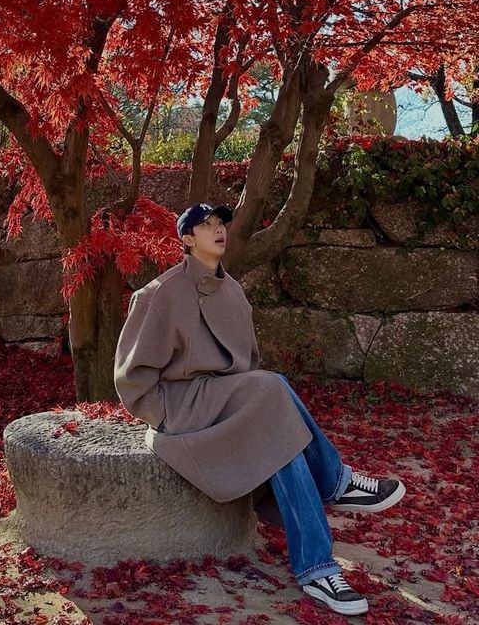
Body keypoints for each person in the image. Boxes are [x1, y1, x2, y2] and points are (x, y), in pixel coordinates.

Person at [114, 203, 405, 617]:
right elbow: (132, 378)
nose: (218, 230)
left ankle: (319, 569)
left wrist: (243, 403)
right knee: (273, 388)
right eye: (206, 225)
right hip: (180, 405)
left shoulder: (232, 290)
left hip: (228, 399)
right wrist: (163, 417)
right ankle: (336, 483)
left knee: (273, 422)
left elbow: (247, 363)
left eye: (220, 223)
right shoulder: (160, 294)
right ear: (186, 239)